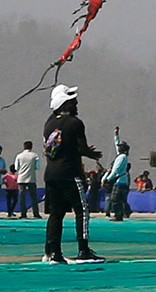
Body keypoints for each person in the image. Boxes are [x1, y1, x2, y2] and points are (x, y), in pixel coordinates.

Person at [40, 85, 104, 264]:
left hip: (51, 174)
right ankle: (83, 251)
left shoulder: (49, 124)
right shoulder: (75, 123)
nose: (76, 104)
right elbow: (81, 147)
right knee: (82, 210)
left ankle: (53, 253)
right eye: (72, 102)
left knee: (56, 213)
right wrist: (89, 154)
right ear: (64, 105)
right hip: (69, 173)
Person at [15, 139, 42, 220]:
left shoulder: (19, 156)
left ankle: (23, 213)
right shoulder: (35, 156)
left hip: (21, 179)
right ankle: (36, 213)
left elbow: (16, 167)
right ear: (31, 147)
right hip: (31, 178)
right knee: (34, 197)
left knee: (22, 197)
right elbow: (37, 167)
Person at [106, 140, 132, 221]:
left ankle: (118, 215)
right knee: (122, 199)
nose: (118, 148)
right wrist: (116, 136)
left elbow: (115, 170)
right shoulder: (124, 156)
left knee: (115, 199)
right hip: (123, 182)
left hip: (119, 182)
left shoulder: (121, 157)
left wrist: (108, 179)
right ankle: (124, 212)